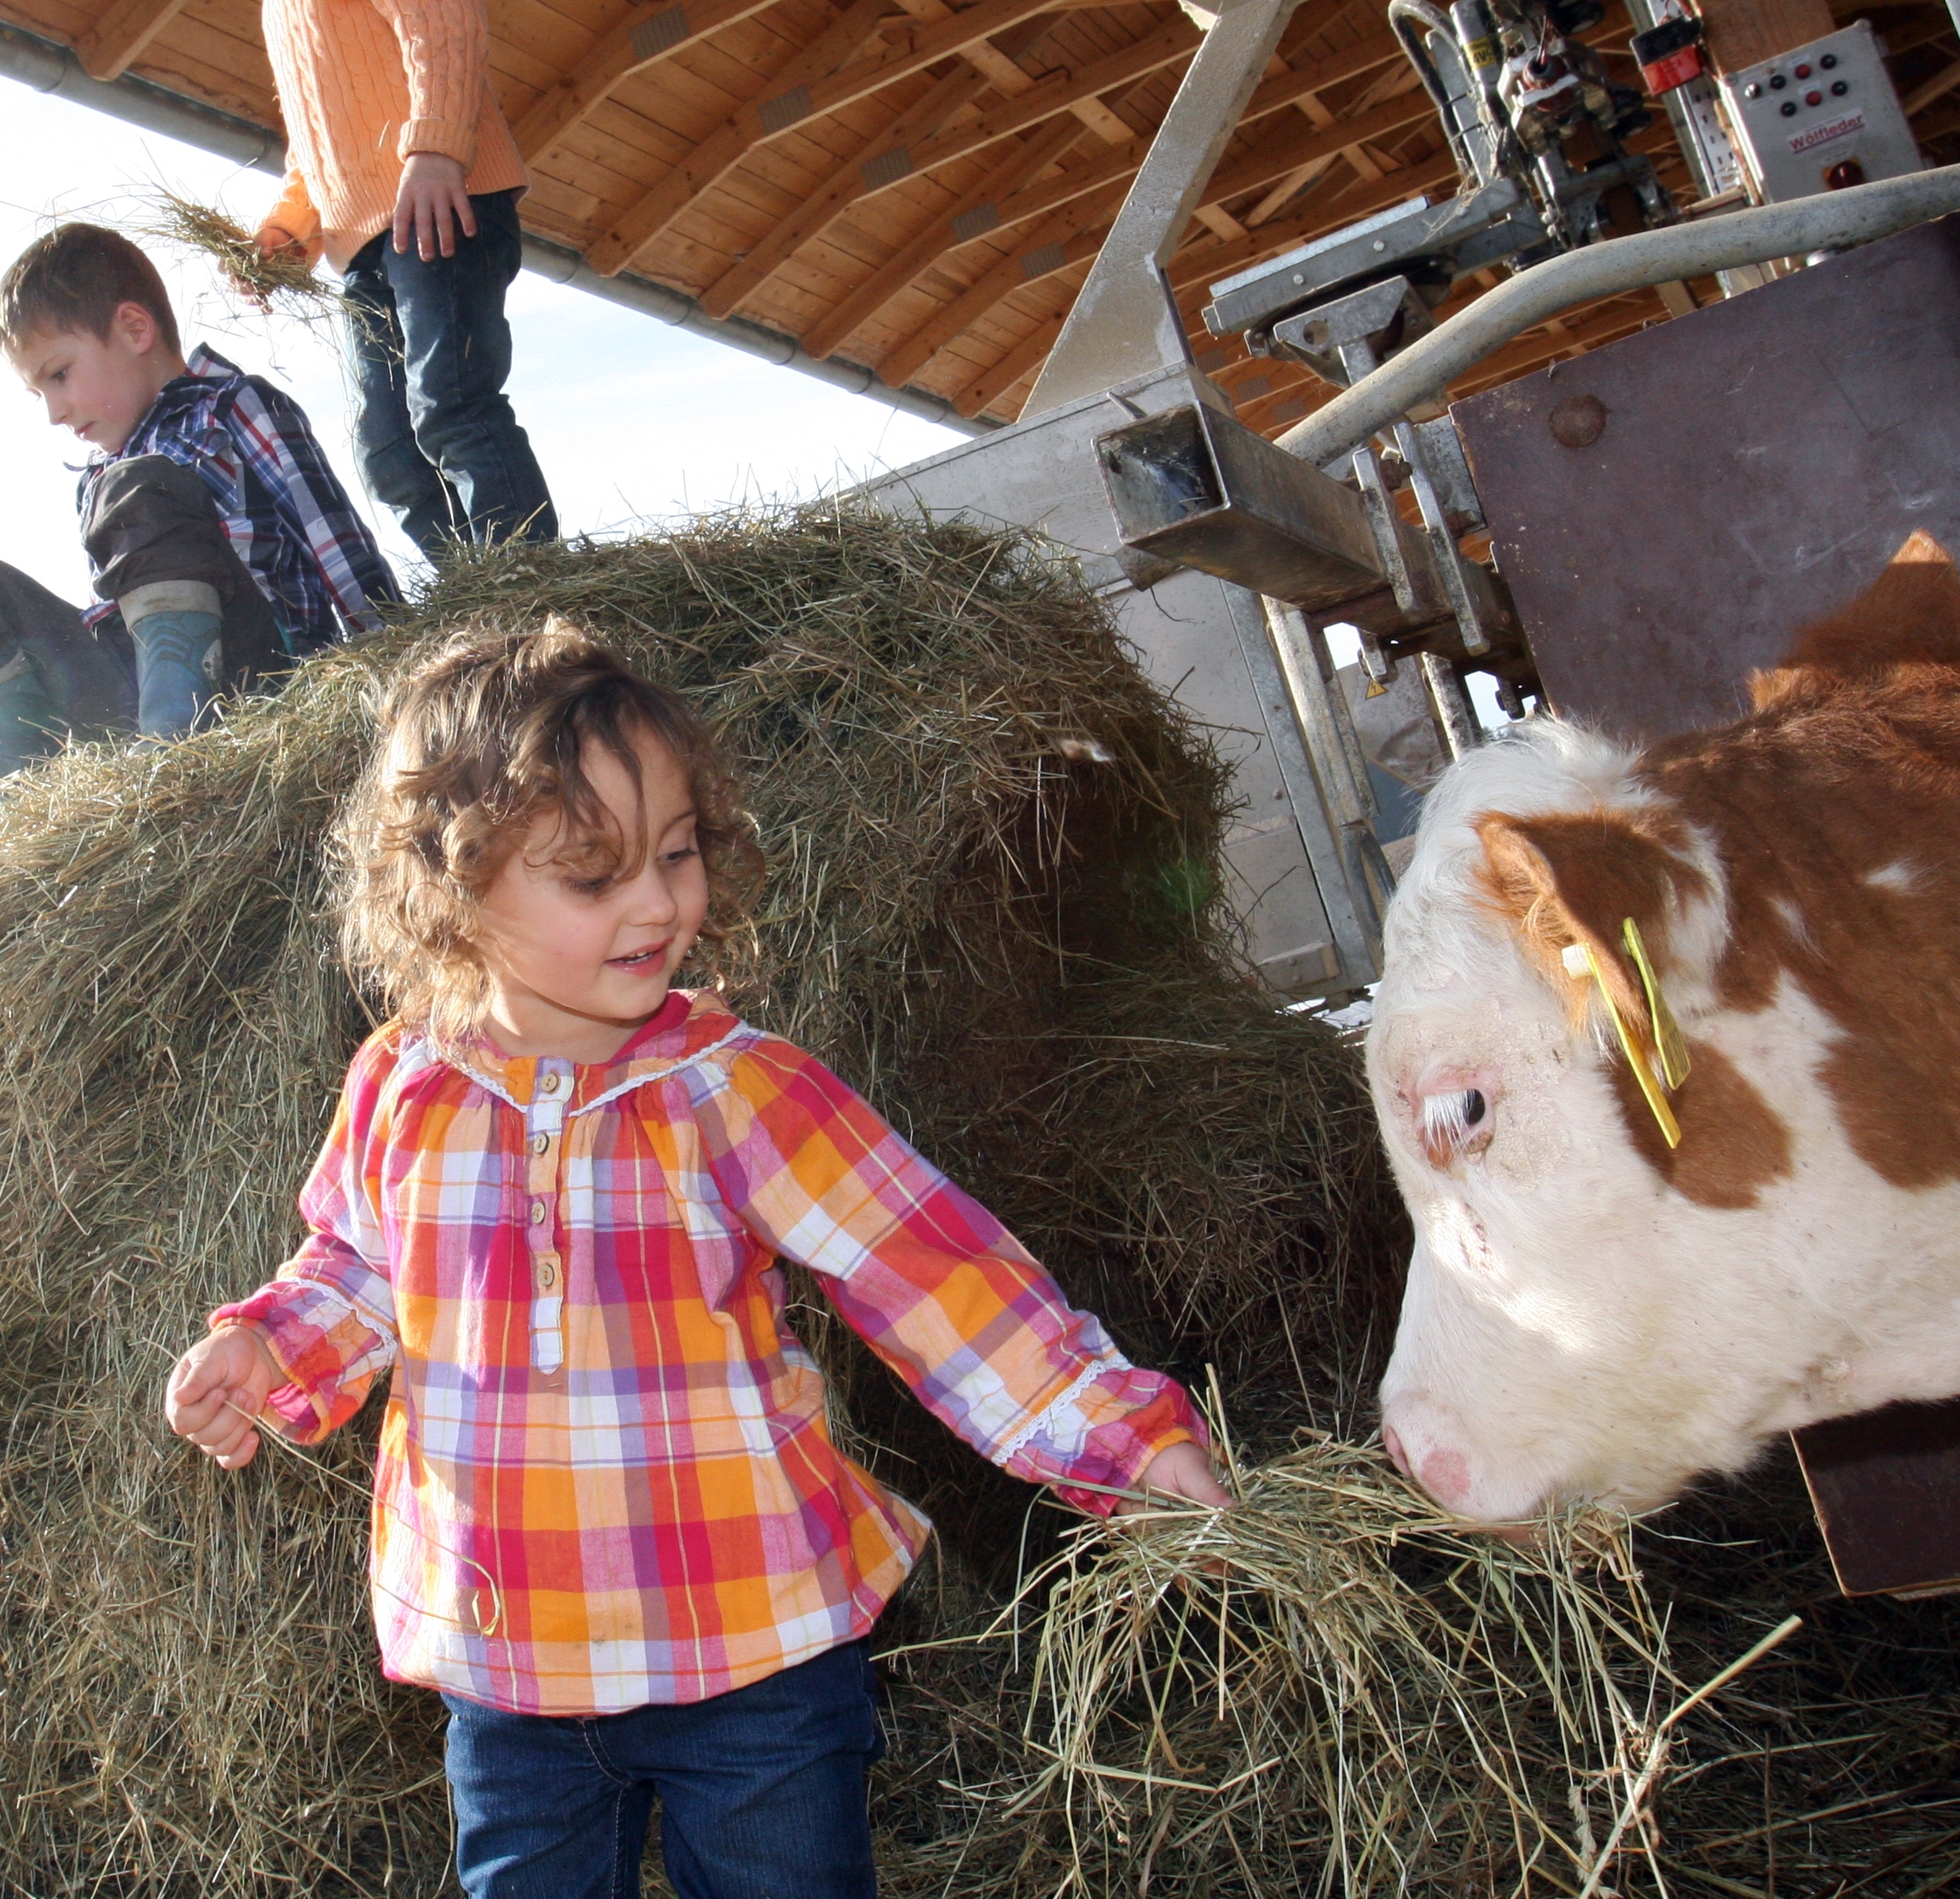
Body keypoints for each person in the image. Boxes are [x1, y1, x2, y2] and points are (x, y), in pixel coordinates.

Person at [161, 623, 1229, 1899]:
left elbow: (944, 1284)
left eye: (675, 855)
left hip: (756, 1656)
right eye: (593, 875)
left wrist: (1128, 1446)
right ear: (451, 889)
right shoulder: (404, 1082)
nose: (659, 905)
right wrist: (267, 1344)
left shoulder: (737, 1090)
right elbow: (359, 1268)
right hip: (510, 1671)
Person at [121, 0, 560, 563]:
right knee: (390, 455)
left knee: (453, 407)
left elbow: (443, 15)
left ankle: (533, 586)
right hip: (364, 245)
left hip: (437, 204)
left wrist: (434, 150)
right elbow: (321, 137)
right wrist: (291, 228)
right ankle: (478, 597)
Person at [0, 224, 402, 780]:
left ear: (134, 329)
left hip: (260, 675)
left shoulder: (232, 406)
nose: (54, 412)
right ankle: (41, 807)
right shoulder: (97, 480)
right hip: (136, 692)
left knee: (141, 486)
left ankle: (175, 759)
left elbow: (331, 537)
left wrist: (396, 664)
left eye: (60, 376)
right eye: (38, 393)